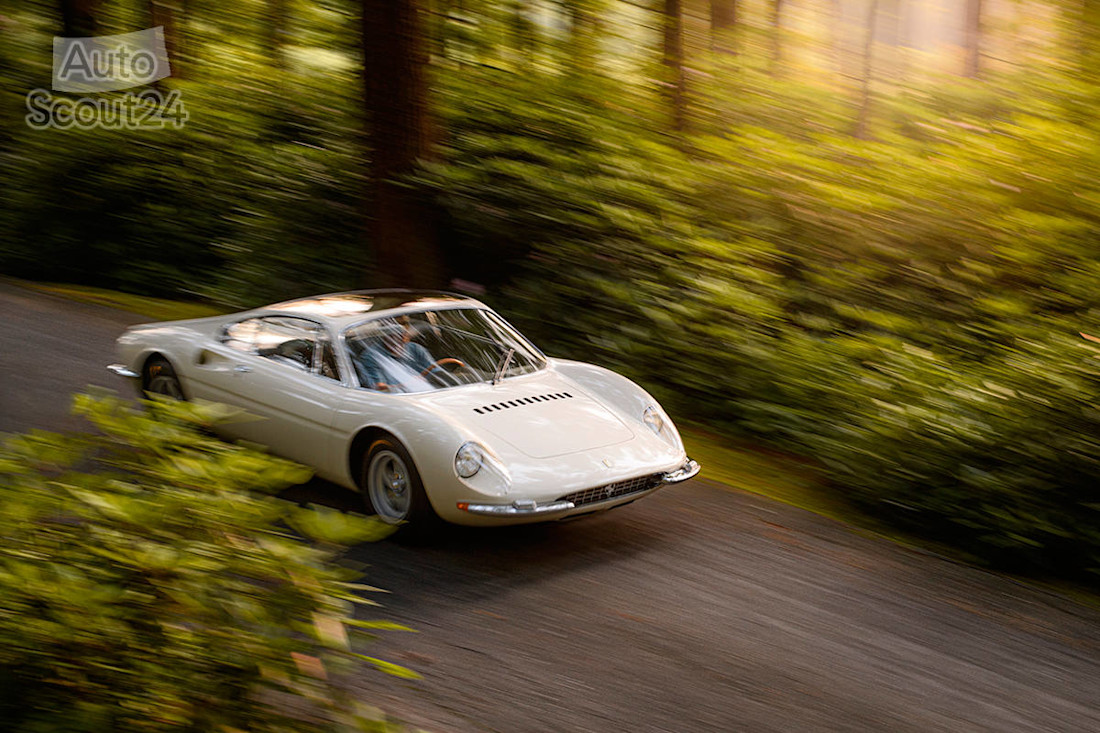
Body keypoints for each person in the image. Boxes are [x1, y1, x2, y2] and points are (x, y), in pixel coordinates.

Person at [357, 321, 435, 391]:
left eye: (403, 335)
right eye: (393, 336)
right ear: (384, 337)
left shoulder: (416, 348)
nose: (400, 339)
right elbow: (378, 388)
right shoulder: (372, 356)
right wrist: (406, 385)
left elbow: (435, 370)